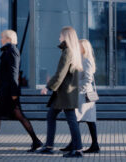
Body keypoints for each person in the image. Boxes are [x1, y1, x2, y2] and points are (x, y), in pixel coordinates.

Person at [0, 30, 42, 153]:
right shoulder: (8, 51)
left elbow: (13, 74)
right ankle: (36, 141)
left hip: (8, 93)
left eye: (2, 37)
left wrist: (14, 93)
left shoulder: (12, 51)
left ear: (8, 39)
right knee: (19, 115)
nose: (0, 39)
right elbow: (4, 75)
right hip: (6, 91)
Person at [37, 26, 83, 158]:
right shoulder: (72, 51)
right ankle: (49, 146)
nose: (59, 37)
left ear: (66, 37)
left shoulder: (67, 52)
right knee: (51, 115)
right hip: (64, 93)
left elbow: (60, 74)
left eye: (60, 35)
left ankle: (78, 150)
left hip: (65, 93)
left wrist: (48, 87)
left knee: (71, 120)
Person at [60, 39, 100, 153]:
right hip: (81, 95)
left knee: (86, 120)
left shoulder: (86, 59)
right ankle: (75, 143)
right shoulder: (79, 58)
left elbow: (88, 78)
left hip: (84, 95)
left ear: (84, 48)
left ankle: (93, 145)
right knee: (79, 119)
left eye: (79, 46)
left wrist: (76, 88)